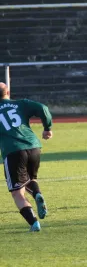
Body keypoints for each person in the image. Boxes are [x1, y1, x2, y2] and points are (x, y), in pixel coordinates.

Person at [0, 82, 53, 232]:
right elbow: (43, 108)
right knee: (30, 178)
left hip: (13, 151)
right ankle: (37, 194)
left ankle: (34, 223)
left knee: (17, 192)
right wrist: (47, 128)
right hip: (34, 147)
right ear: (8, 92)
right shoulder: (21, 104)